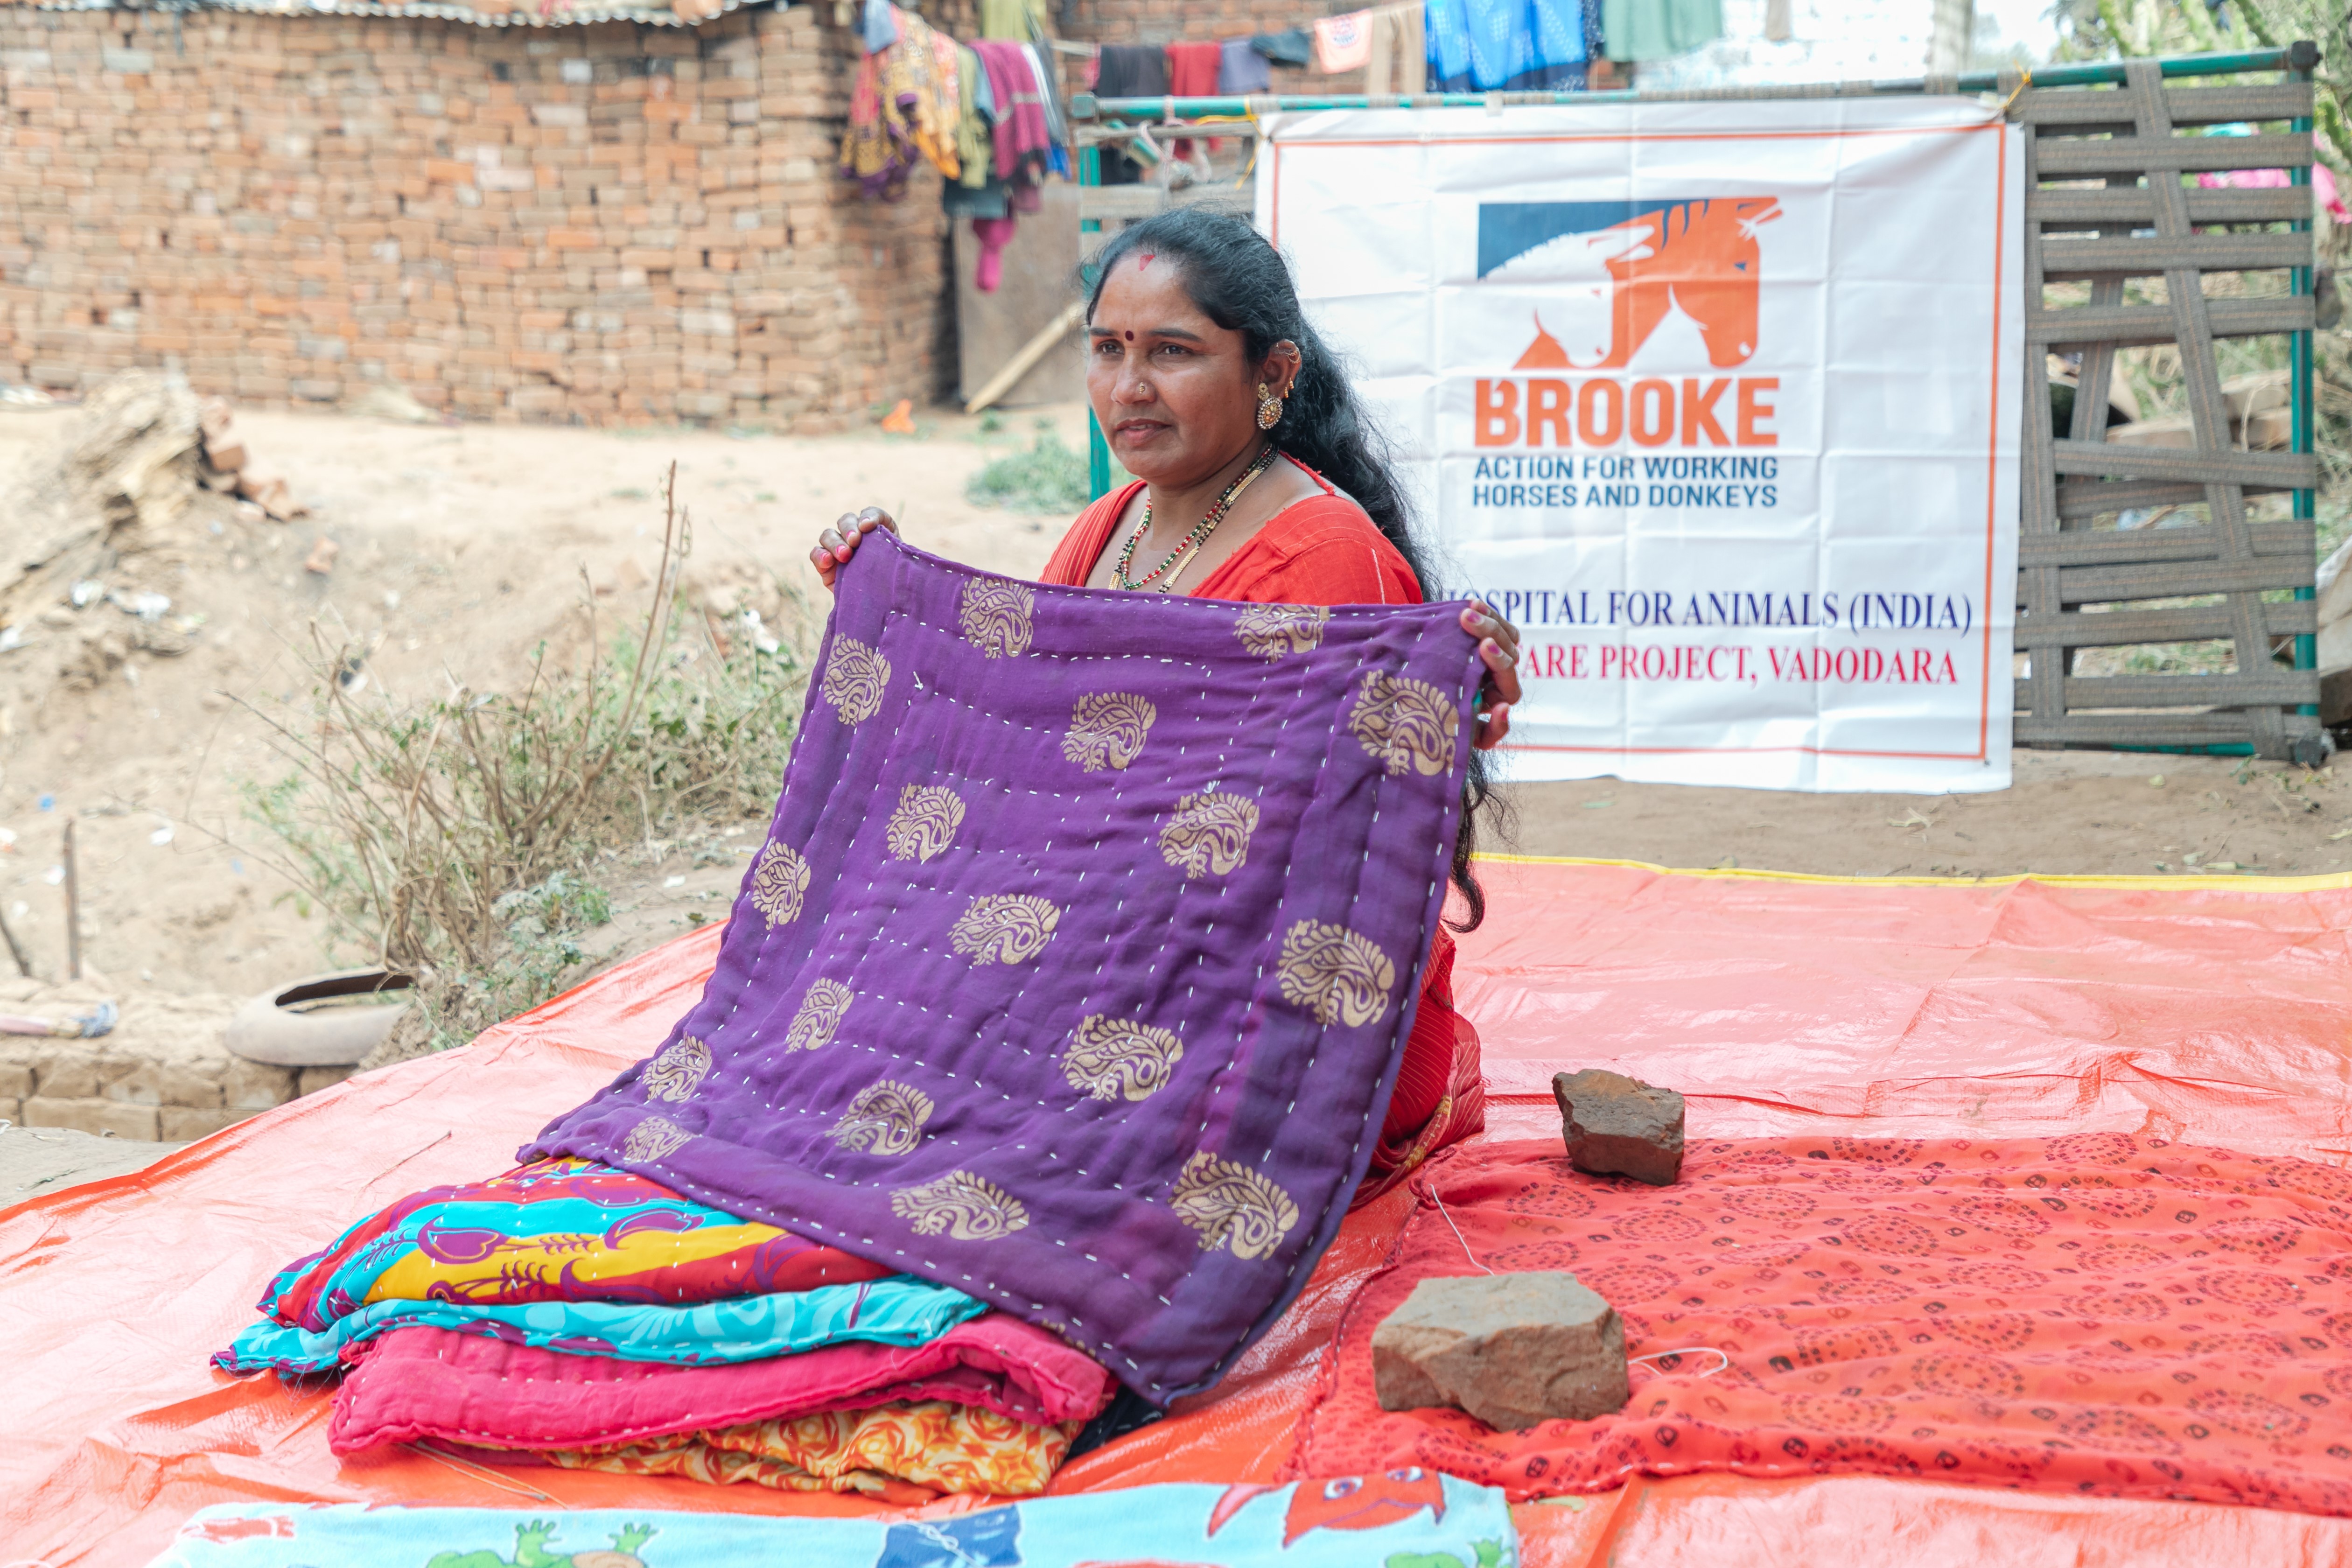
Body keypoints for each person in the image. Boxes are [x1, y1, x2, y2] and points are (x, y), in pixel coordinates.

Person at [810, 208, 1521, 1197]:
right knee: (865, 1011)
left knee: (1012, 1128)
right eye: (1108, 348)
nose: (1129, 387)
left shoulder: (1326, 562)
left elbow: (1328, 865)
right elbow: (1024, 755)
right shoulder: (1108, 528)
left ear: (1273, 374)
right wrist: (901, 615)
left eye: (1172, 352)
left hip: (1276, 1011)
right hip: (1123, 955)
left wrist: (1446, 708)